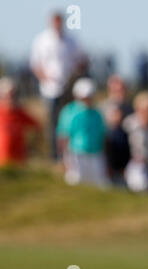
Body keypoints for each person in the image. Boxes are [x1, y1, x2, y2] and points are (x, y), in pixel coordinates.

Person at [30, 11, 85, 161]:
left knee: (67, 121)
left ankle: (68, 154)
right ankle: (54, 155)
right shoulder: (41, 40)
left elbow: (80, 61)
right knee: (53, 123)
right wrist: (46, 78)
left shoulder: (72, 41)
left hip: (67, 88)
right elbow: (36, 65)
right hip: (49, 89)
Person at [57, 78, 108, 187]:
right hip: (76, 154)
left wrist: (104, 157)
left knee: (99, 185)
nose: (87, 99)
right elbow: (63, 136)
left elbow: (102, 136)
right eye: (85, 97)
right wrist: (64, 159)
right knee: (76, 184)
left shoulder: (97, 113)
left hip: (96, 154)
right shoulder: (69, 111)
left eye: (90, 96)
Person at [0, 77, 40, 166]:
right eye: (7, 96)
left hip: (19, 160)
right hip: (2, 162)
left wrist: (32, 145)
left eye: (13, 95)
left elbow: (37, 126)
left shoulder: (20, 112)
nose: (10, 99)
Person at [104, 104, 131, 187]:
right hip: (108, 168)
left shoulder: (124, 133)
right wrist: (108, 166)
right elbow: (106, 152)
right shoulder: (107, 132)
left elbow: (127, 152)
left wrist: (124, 167)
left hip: (121, 169)